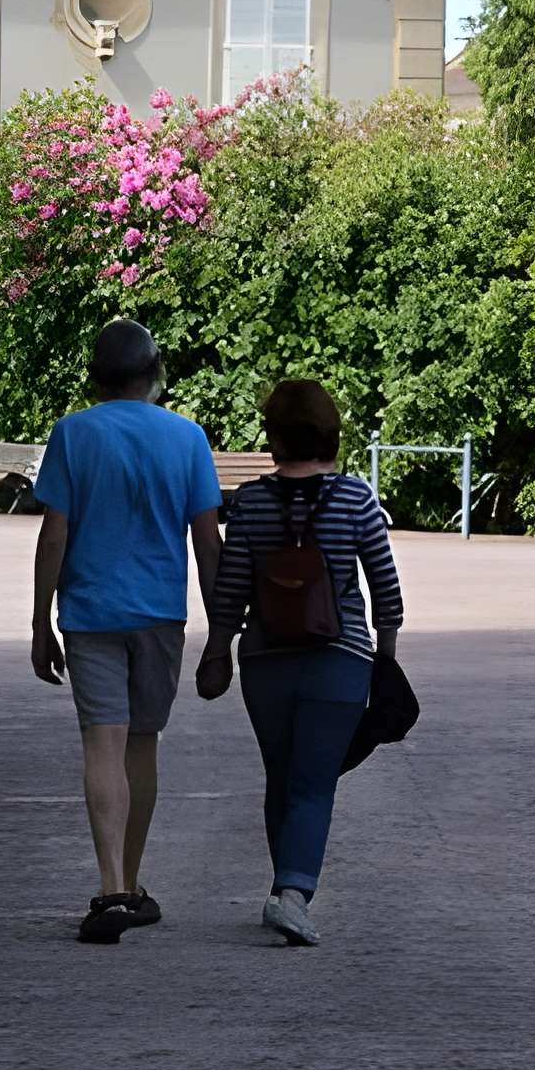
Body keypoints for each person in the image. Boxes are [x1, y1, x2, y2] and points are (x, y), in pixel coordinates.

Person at [29, 319, 225, 944]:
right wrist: (223, 633)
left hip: (89, 615)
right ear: (155, 374)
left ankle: (112, 887)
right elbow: (207, 543)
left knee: (101, 747)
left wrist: (39, 621)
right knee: (142, 747)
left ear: (95, 377)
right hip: (159, 615)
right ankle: (132, 885)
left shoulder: (72, 434)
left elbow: (54, 533)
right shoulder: (187, 437)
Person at [196, 380, 404, 947]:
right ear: (331, 432)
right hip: (339, 660)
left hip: (265, 662)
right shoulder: (356, 498)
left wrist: (217, 651)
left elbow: (231, 587)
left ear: (275, 438)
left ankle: (284, 888)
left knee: (284, 778)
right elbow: (385, 588)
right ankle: (291, 895)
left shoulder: (251, 502)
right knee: (313, 784)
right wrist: (384, 659)